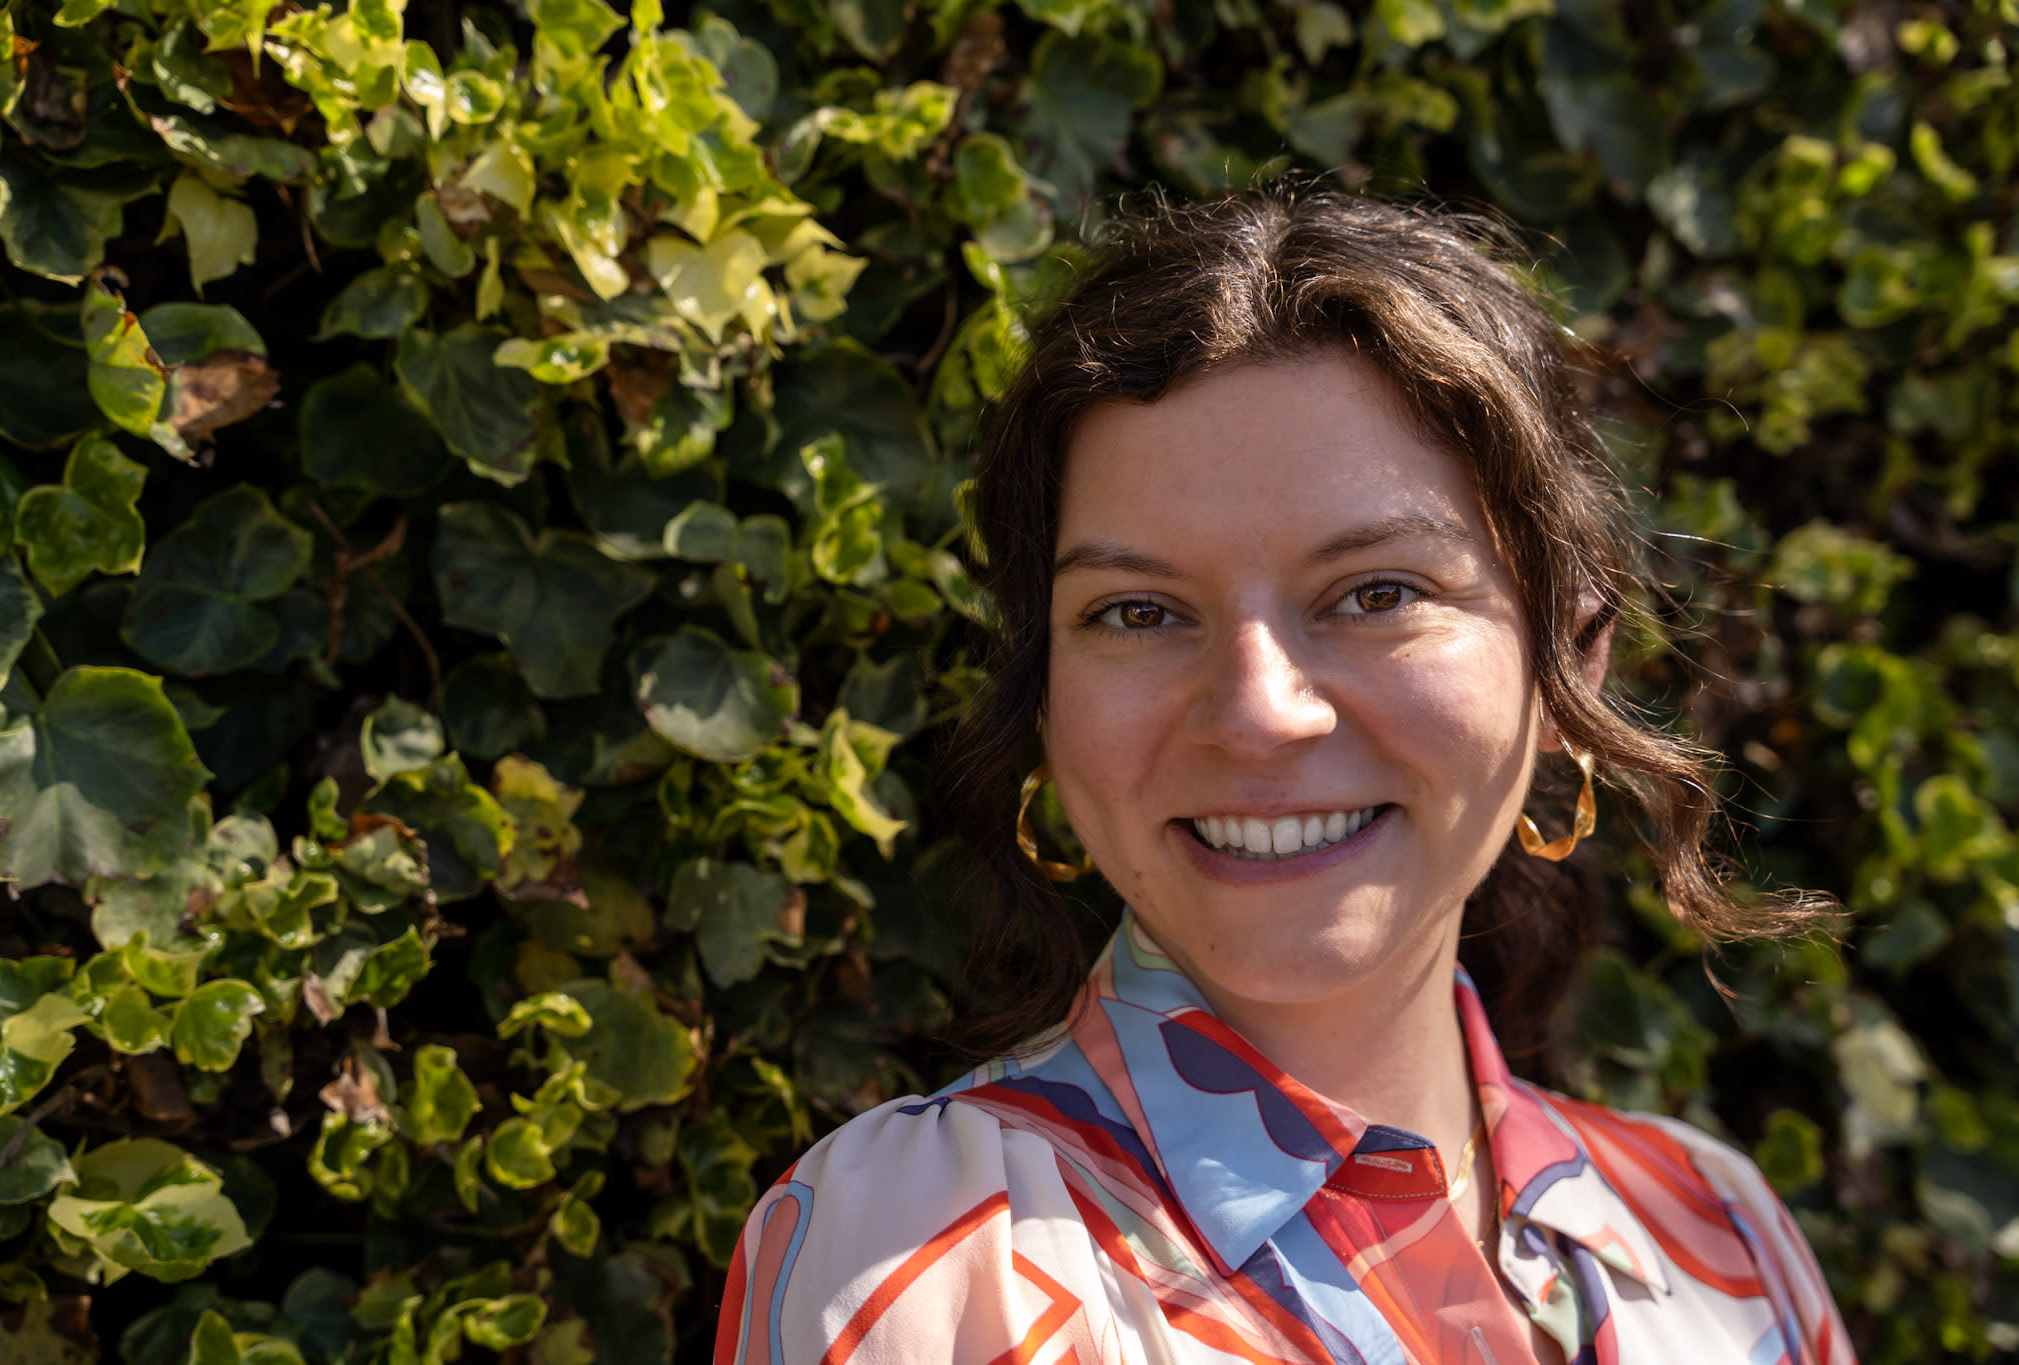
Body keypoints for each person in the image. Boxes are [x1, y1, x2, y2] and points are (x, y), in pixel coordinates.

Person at [712, 189, 1856, 1364]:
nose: (1257, 713)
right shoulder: (933, 1258)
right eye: (1138, 611)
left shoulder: (1720, 1235)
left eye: (1376, 594)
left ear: (1571, 649)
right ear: (1044, 694)